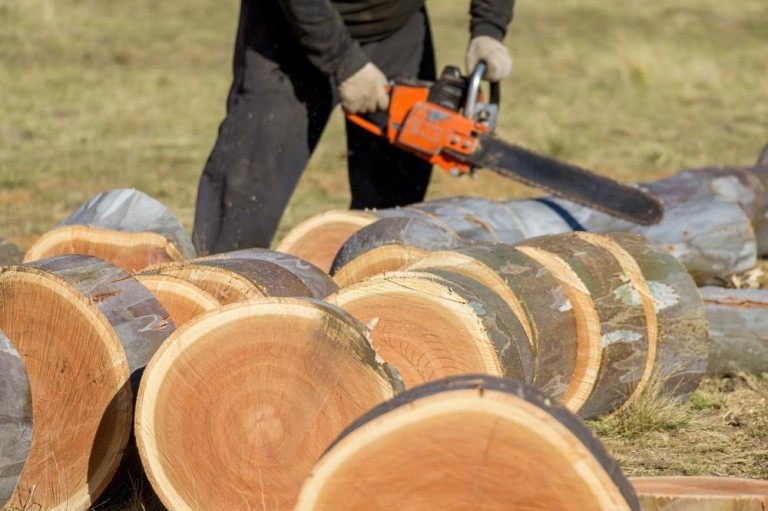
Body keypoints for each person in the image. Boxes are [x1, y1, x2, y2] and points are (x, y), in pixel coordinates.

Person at [192, 0, 515, 255]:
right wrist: (344, 62)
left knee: (392, 206)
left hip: (398, 26)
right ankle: (215, 297)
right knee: (248, 188)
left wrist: (489, 26)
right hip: (288, 26)